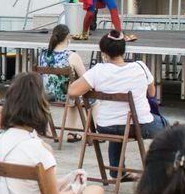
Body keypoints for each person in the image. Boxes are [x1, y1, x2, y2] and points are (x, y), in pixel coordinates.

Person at [68, 34, 167, 170]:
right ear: (124, 50)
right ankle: (165, 167)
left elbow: (73, 91)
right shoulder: (140, 67)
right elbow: (152, 93)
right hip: (140, 125)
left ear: (104, 53)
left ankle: (116, 171)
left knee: (118, 125)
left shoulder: (98, 71)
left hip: (106, 126)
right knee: (165, 124)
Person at [38, 24, 88, 139]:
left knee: (73, 95)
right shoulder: (71, 56)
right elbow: (85, 78)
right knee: (89, 99)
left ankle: (56, 130)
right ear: (67, 37)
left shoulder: (44, 54)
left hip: (46, 95)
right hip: (65, 96)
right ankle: (82, 133)